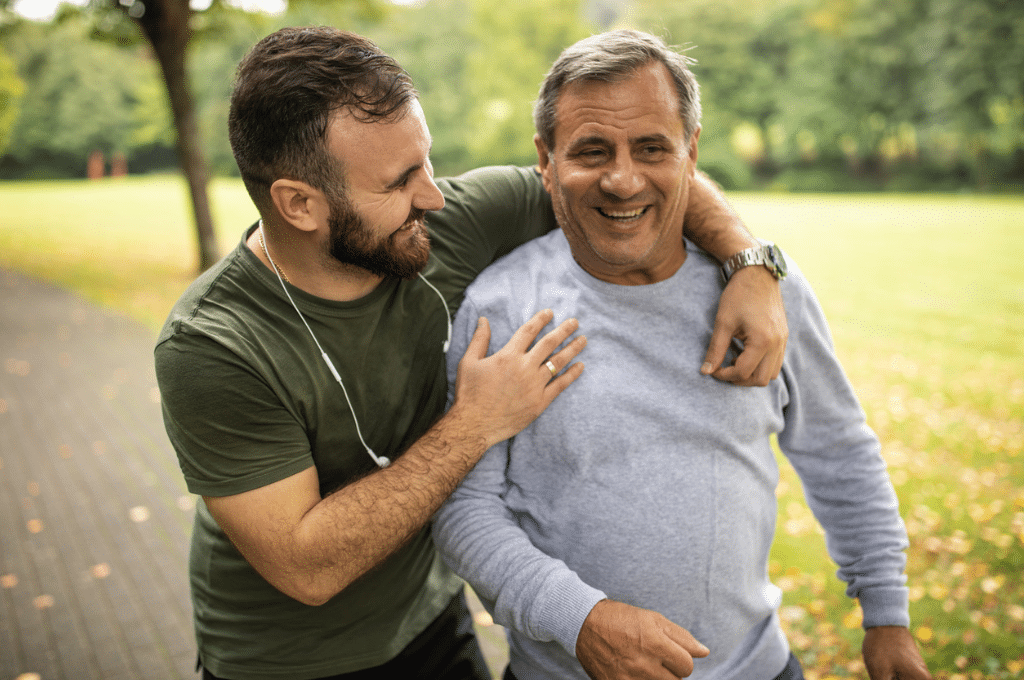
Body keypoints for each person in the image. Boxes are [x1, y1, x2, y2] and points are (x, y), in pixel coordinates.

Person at [154, 26, 787, 680]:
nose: (432, 193)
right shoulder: (214, 344)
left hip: (435, 623)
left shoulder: (449, 221)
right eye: (399, 181)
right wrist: (478, 421)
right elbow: (307, 567)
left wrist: (749, 261)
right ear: (299, 204)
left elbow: (628, 175)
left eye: (425, 162)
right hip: (287, 662)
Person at [433, 30, 933, 680]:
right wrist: (578, 618)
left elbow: (840, 452)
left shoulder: (768, 294)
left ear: (691, 153)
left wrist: (887, 617)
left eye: (651, 148)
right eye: (591, 151)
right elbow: (463, 508)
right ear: (545, 160)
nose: (621, 178)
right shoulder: (501, 306)